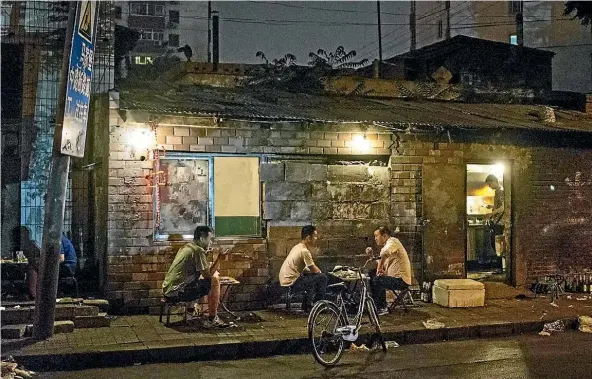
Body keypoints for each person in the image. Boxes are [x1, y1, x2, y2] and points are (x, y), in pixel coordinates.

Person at [162, 225, 229, 328]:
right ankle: (212, 319)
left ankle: (190, 312)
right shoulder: (198, 251)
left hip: (169, 290)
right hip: (178, 293)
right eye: (209, 239)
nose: (211, 242)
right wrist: (220, 258)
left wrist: (205, 254)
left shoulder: (187, 247)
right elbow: (207, 275)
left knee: (198, 279)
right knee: (214, 281)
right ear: (202, 239)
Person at [279, 225, 327, 312]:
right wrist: (320, 272)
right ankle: (318, 306)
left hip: (285, 279)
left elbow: (303, 268)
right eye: (315, 236)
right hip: (291, 282)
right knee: (322, 277)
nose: (316, 238)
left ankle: (307, 305)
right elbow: (313, 268)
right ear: (309, 238)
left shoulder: (297, 247)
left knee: (311, 279)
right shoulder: (305, 251)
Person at [366, 226, 412, 315]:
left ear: (384, 236)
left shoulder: (393, 241)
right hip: (394, 277)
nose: (375, 239)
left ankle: (382, 307)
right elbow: (382, 261)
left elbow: (385, 253)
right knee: (371, 273)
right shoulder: (387, 246)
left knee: (377, 280)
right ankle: (375, 304)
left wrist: (379, 269)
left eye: (376, 236)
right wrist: (371, 256)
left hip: (401, 280)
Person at [483, 174, 505, 266]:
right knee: (496, 243)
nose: (489, 187)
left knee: (497, 243)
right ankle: (500, 264)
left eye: (489, 184)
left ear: (494, 181)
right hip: (498, 221)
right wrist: (492, 206)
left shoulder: (501, 191)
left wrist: (491, 213)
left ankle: (501, 264)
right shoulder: (498, 192)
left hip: (500, 221)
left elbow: (503, 207)